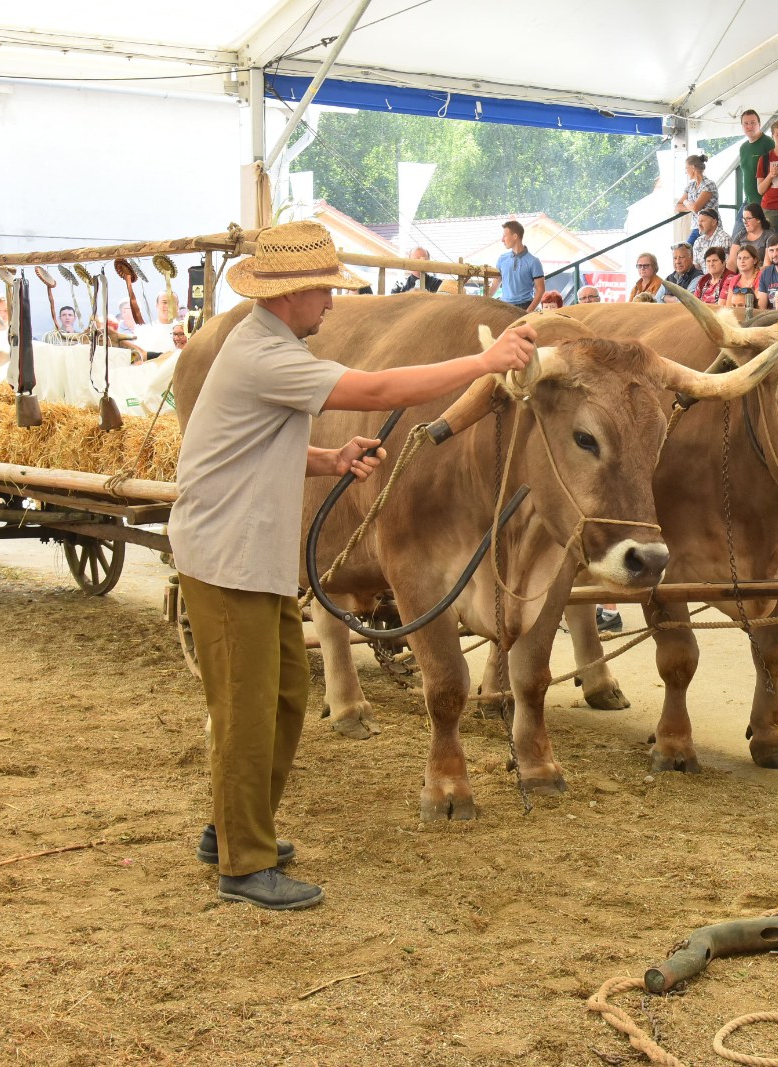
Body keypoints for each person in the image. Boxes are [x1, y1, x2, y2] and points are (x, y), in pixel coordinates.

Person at [171, 221, 535, 911]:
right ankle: (244, 863)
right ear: (289, 295)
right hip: (228, 555)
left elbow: (248, 442)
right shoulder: (264, 353)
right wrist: (484, 365)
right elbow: (377, 388)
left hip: (255, 554)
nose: (333, 305)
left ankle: (231, 829)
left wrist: (329, 460)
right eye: (323, 293)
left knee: (282, 696)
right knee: (249, 706)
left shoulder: (266, 344)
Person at [484, 220, 545, 311]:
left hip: (525, 307)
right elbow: (495, 284)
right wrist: (482, 301)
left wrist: (528, 311)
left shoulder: (534, 262)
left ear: (515, 236)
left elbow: (540, 290)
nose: (502, 240)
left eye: (505, 236)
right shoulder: (502, 259)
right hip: (505, 307)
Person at [735, 110, 774, 228]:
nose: (749, 126)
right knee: (737, 236)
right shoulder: (743, 148)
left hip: (765, 202)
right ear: (742, 126)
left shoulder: (768, 143)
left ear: (759, 124)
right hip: (748, 201)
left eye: (753, 122)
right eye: (746, 123)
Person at [674, 154, 719, 219]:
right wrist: (691, 207)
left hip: (710, 227)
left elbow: (695, 208)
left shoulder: (709, 184)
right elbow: (677, 206)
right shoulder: (690, 186)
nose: (685, 172)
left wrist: (685, 202)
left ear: (693, 168)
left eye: (686, 168)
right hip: (696, 226)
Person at [691, 208, 725, 273]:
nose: (699, 224)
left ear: (713, 222)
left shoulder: (723, 238)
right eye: (698, 221)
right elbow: (696, 267)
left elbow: (724, 267)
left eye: (702, 221)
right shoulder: (698, 241)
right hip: (704, 279)